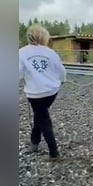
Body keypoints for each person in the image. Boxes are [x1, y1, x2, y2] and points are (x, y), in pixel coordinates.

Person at [19, 24, 66, 161]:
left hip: (35, 94)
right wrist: (62, 80)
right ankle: (34, 143)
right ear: (44, 37)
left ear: (30, 36)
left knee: (43, 118)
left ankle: (54, 152)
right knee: (40, 115)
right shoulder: (51, 52)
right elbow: (61, 71)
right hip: (52, 92)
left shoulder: (21, 52)